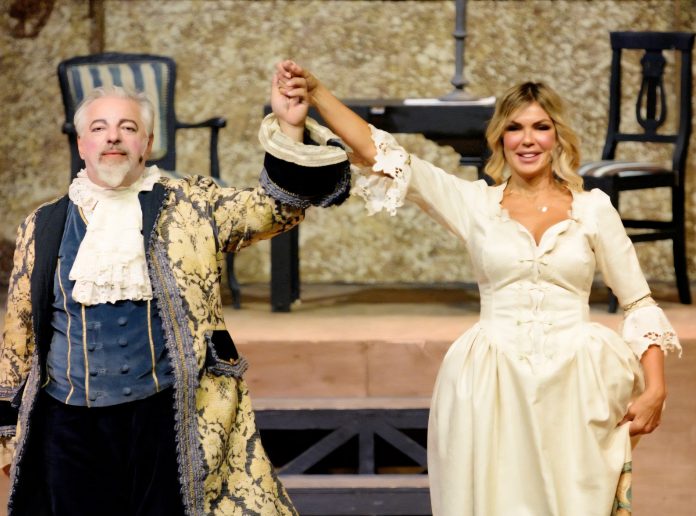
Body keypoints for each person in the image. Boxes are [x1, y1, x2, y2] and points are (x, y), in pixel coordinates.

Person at [275, 60, 682, 516]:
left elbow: (638, 301)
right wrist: (317, 92)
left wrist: (656, 388)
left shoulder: (593, 209)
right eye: (515, 128)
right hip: (493, 383)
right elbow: (383, 152)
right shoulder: (475, 204)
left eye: (540, 127)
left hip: (576, 385)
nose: (527, 139)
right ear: (500, 138)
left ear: (558, 136)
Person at [0, 68, 349, 515]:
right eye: (99, 128)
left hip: (167, 418)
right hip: (68, 428)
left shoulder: (193, 205)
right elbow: (20, 330)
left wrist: (289, 127)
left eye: (128, 128)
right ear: (82, 144)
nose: (113, 137)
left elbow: (273, 209)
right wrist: (7, 434)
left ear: (146, 144)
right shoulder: (43, 224)